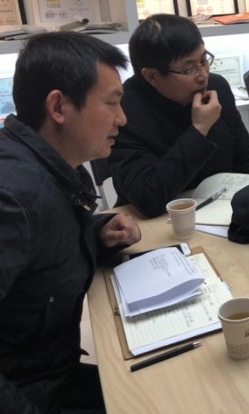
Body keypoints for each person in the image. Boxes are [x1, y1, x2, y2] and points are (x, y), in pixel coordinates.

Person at [0, 32, 142, 413]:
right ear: (59, 107)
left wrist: (96, 234)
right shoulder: (12, 198)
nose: (122, 118)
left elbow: (39, 251)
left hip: (55, 373)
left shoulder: (55, 168)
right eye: (111, 102)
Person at [109, 14, 249, 217]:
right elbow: (148, 198)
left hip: (222, 211)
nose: (203, 76)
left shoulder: (217, 87)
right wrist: (199, 130)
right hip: (156, 222)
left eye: (204, 61)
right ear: (152, 76)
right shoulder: (123, 111)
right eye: (189, 69)